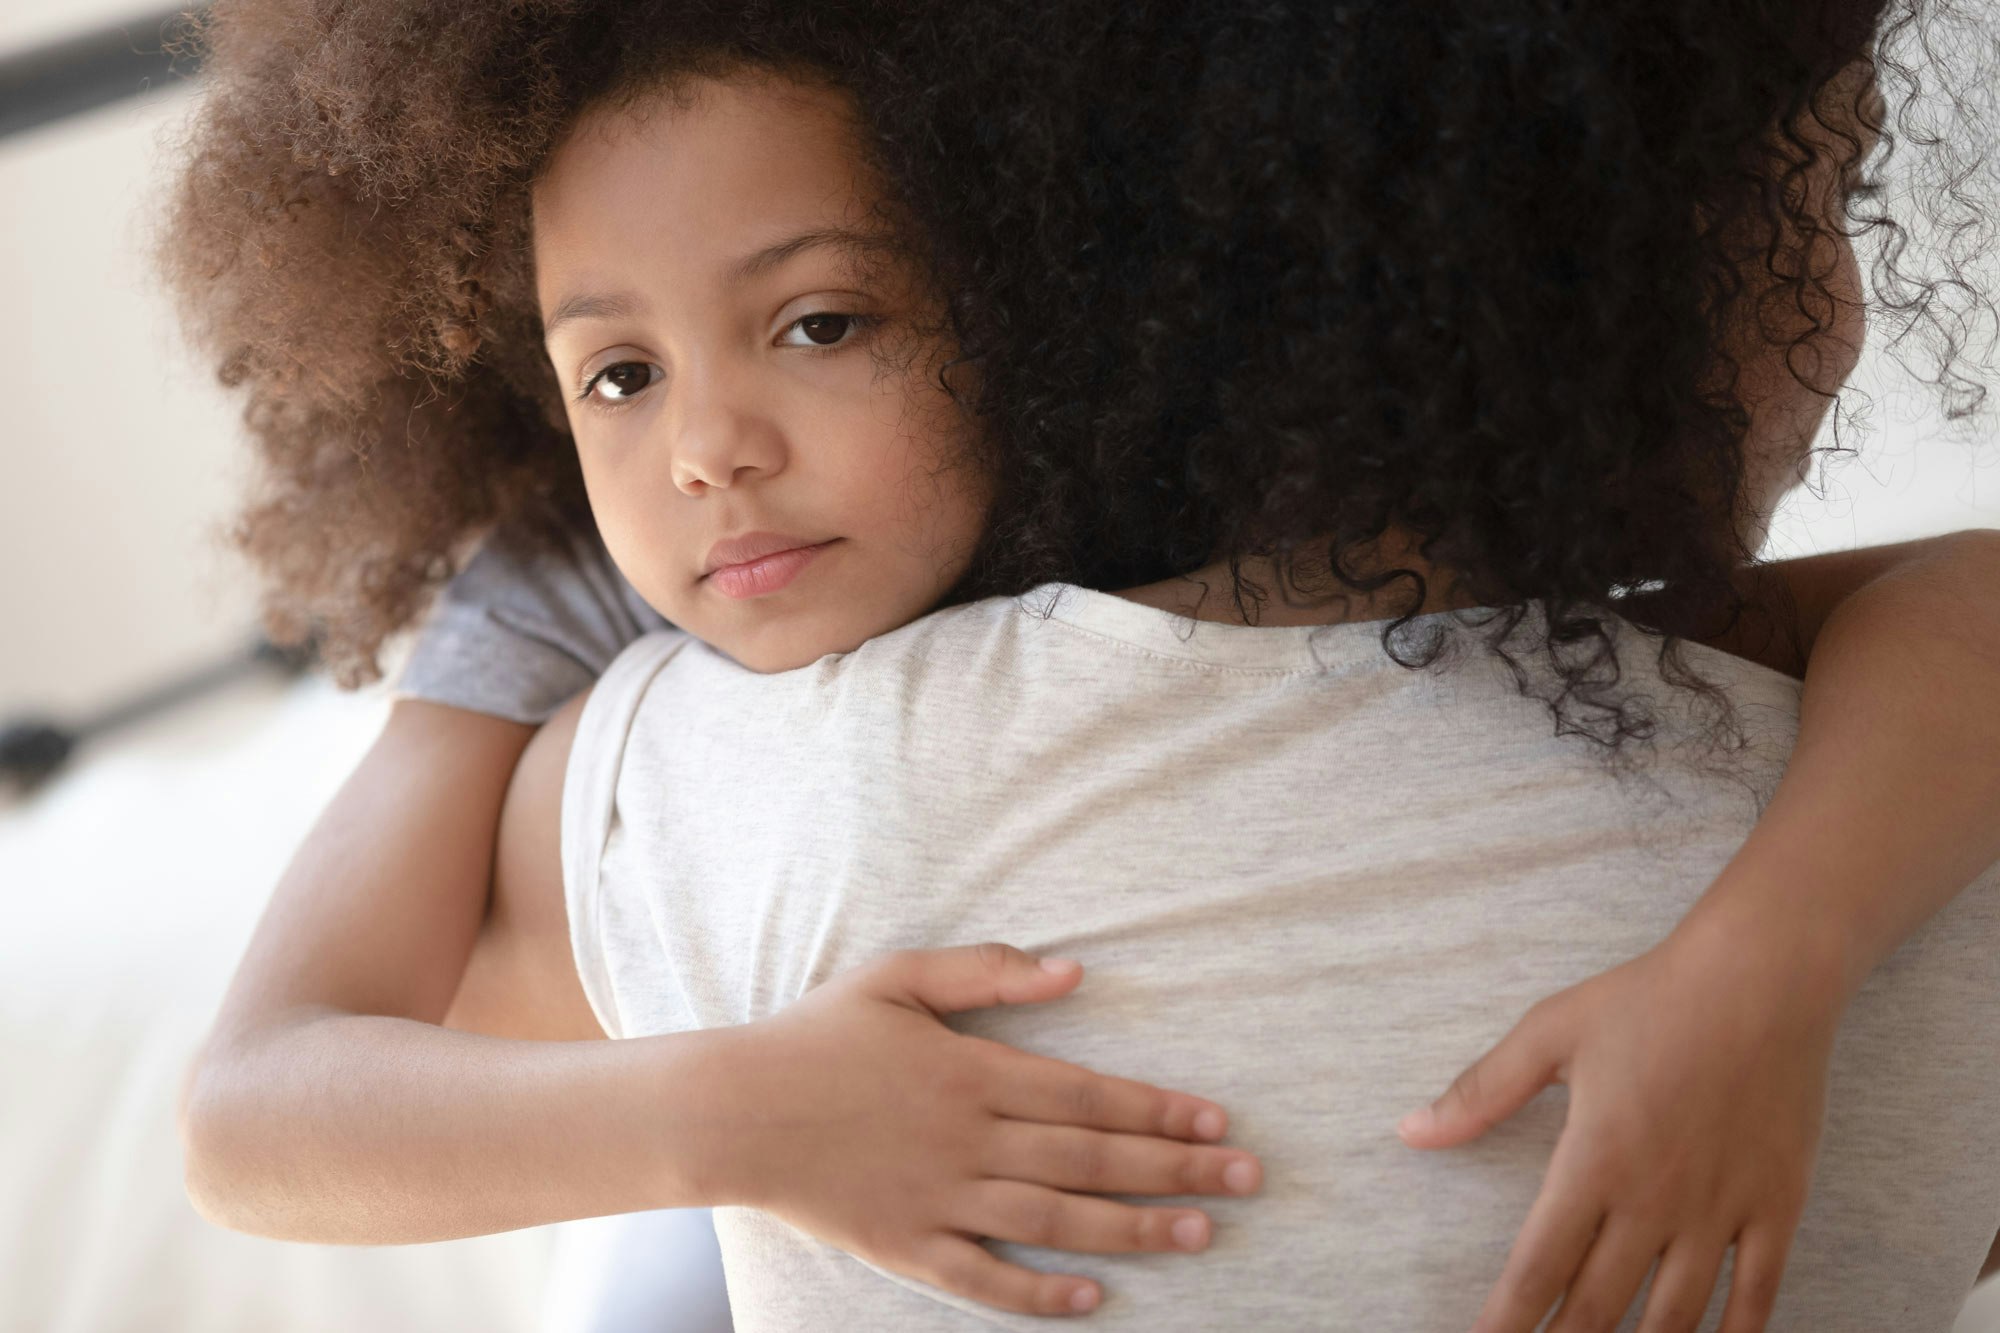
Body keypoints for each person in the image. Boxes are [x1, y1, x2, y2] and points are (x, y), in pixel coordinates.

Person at [161, 0, 2000, 1328]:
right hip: (712, 1121)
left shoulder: (1138, 509)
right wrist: (742, 1111)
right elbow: (260, 1105)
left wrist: (1768, 954)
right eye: (616, 376)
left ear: (1034, 296)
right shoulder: (572, 593)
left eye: (823, 323)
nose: (709, 448)